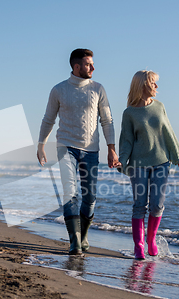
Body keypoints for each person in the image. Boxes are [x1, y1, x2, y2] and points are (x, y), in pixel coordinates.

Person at [37, 48, 120, 255]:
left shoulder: (98, 89)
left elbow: (107, 120)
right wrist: (40, 145)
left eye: (92, 64)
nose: (93, 67)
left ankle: (83, 235)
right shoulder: (59, 90)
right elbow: (48, 119)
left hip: (91, 150)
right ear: (76, 66)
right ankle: (74, 241)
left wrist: (112, 149)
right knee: (70, 192)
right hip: (66, 147)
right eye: (89, 64)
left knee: (90, 197)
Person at [117, 70, 179, 260]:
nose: (156, 86)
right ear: (143, 85)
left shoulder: (160, 107)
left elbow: (169, 133)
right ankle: (138, 245)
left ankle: (151, 240)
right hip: (138, 165)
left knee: (157, 205)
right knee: (140, 205)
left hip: (161, 163)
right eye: (153, 83)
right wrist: (122, 161)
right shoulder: (129, 113)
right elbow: (127, 141)